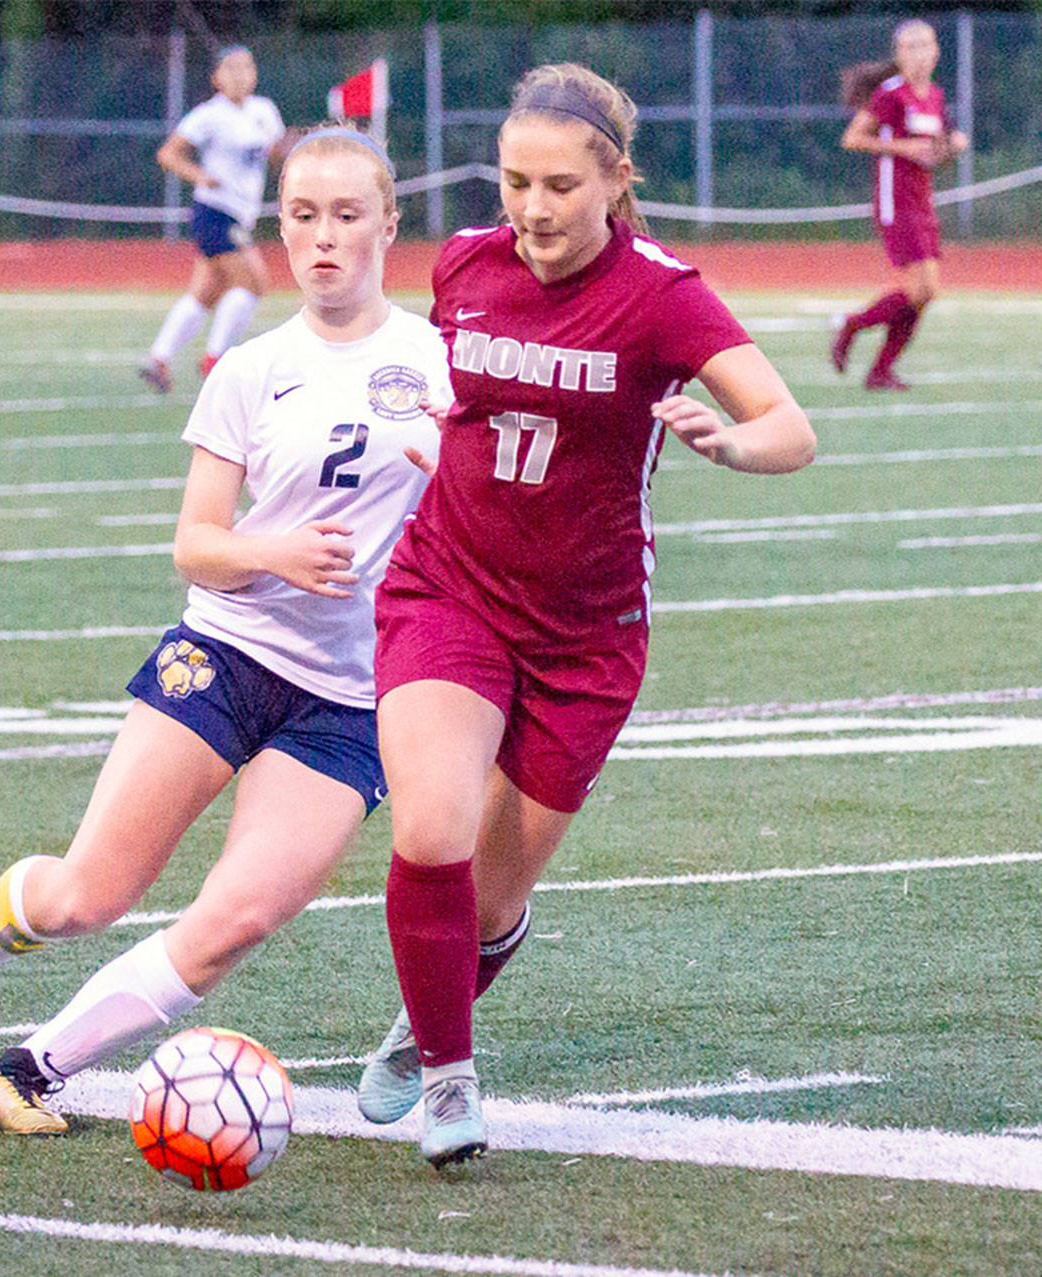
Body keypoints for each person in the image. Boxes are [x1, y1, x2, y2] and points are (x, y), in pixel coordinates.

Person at [0, 125, 449, 1134]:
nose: (321, 238)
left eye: (346, 215)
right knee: (85, 892)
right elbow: (194, 545)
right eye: (301, 215)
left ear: (388, 222)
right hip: (224, 655)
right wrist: (271, 552)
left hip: (354, 698)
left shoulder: (440, 362)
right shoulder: (250, 367)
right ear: (278, 225)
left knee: (235, 920)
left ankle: (29, 1068)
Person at [353, 62, 816, 1168]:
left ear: (614, 178)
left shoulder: (661, 293)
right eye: (514, 180)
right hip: (448, 588)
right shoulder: (462, 264)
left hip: (586, 633)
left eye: (559, 184)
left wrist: (728, 440)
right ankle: (452, 1078)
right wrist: (432, 420)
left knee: (495, 896)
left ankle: (430, 1014)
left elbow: (790, 428)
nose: (532, 207)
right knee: (429, 830)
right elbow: (453, 387)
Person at [139, 45, 286, 394]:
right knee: (253, 282)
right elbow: (169, 154)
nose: (239, 74)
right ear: (216, 77)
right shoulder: (209, 115)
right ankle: (215, 360)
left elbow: (278, 151)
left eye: (246, 67)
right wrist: (199, 175)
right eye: (231, 68)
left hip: (240, 214)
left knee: (208, 291)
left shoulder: (264, 110)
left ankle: (158, 359)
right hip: (216, 212)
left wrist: (291, 147)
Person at [832, 19, 968, 391]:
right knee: (919, 291)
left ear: (937, 52)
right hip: (896, 202)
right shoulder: (890, 94)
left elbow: (933, 149)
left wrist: (951, 144)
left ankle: (879, 372)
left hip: (923, 202)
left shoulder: (935, 96)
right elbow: (853, 138)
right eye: (910, 48)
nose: (919, 55)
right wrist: (900, 147)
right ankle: (852, 325)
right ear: (899, 55)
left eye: (925, 46)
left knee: (924, 294)